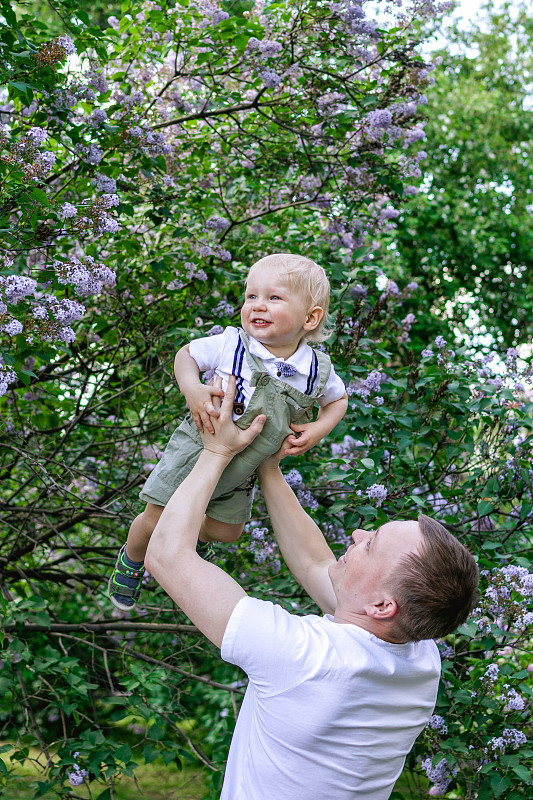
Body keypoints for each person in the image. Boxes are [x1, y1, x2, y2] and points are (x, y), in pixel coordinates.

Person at [145, 377, 479, 800]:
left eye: (371, 544)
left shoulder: (306, 659)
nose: (357, 534)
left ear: (381, 604)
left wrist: (217, 450)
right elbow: (313, 564)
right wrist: (268, 466)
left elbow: (167, 557)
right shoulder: (419, 658)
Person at [108, 253, 348, 609]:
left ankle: (191, 539)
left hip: (244, 468)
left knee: (227, 531)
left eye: (274, 297)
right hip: (197, 452)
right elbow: (186, 355)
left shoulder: (314, 369)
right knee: (157, 518)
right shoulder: (232, 343)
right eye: (251, 296)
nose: (257, 306)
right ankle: (132, 559)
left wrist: (319, 428)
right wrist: (193, 389)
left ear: (310, 317)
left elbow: (338, 400)